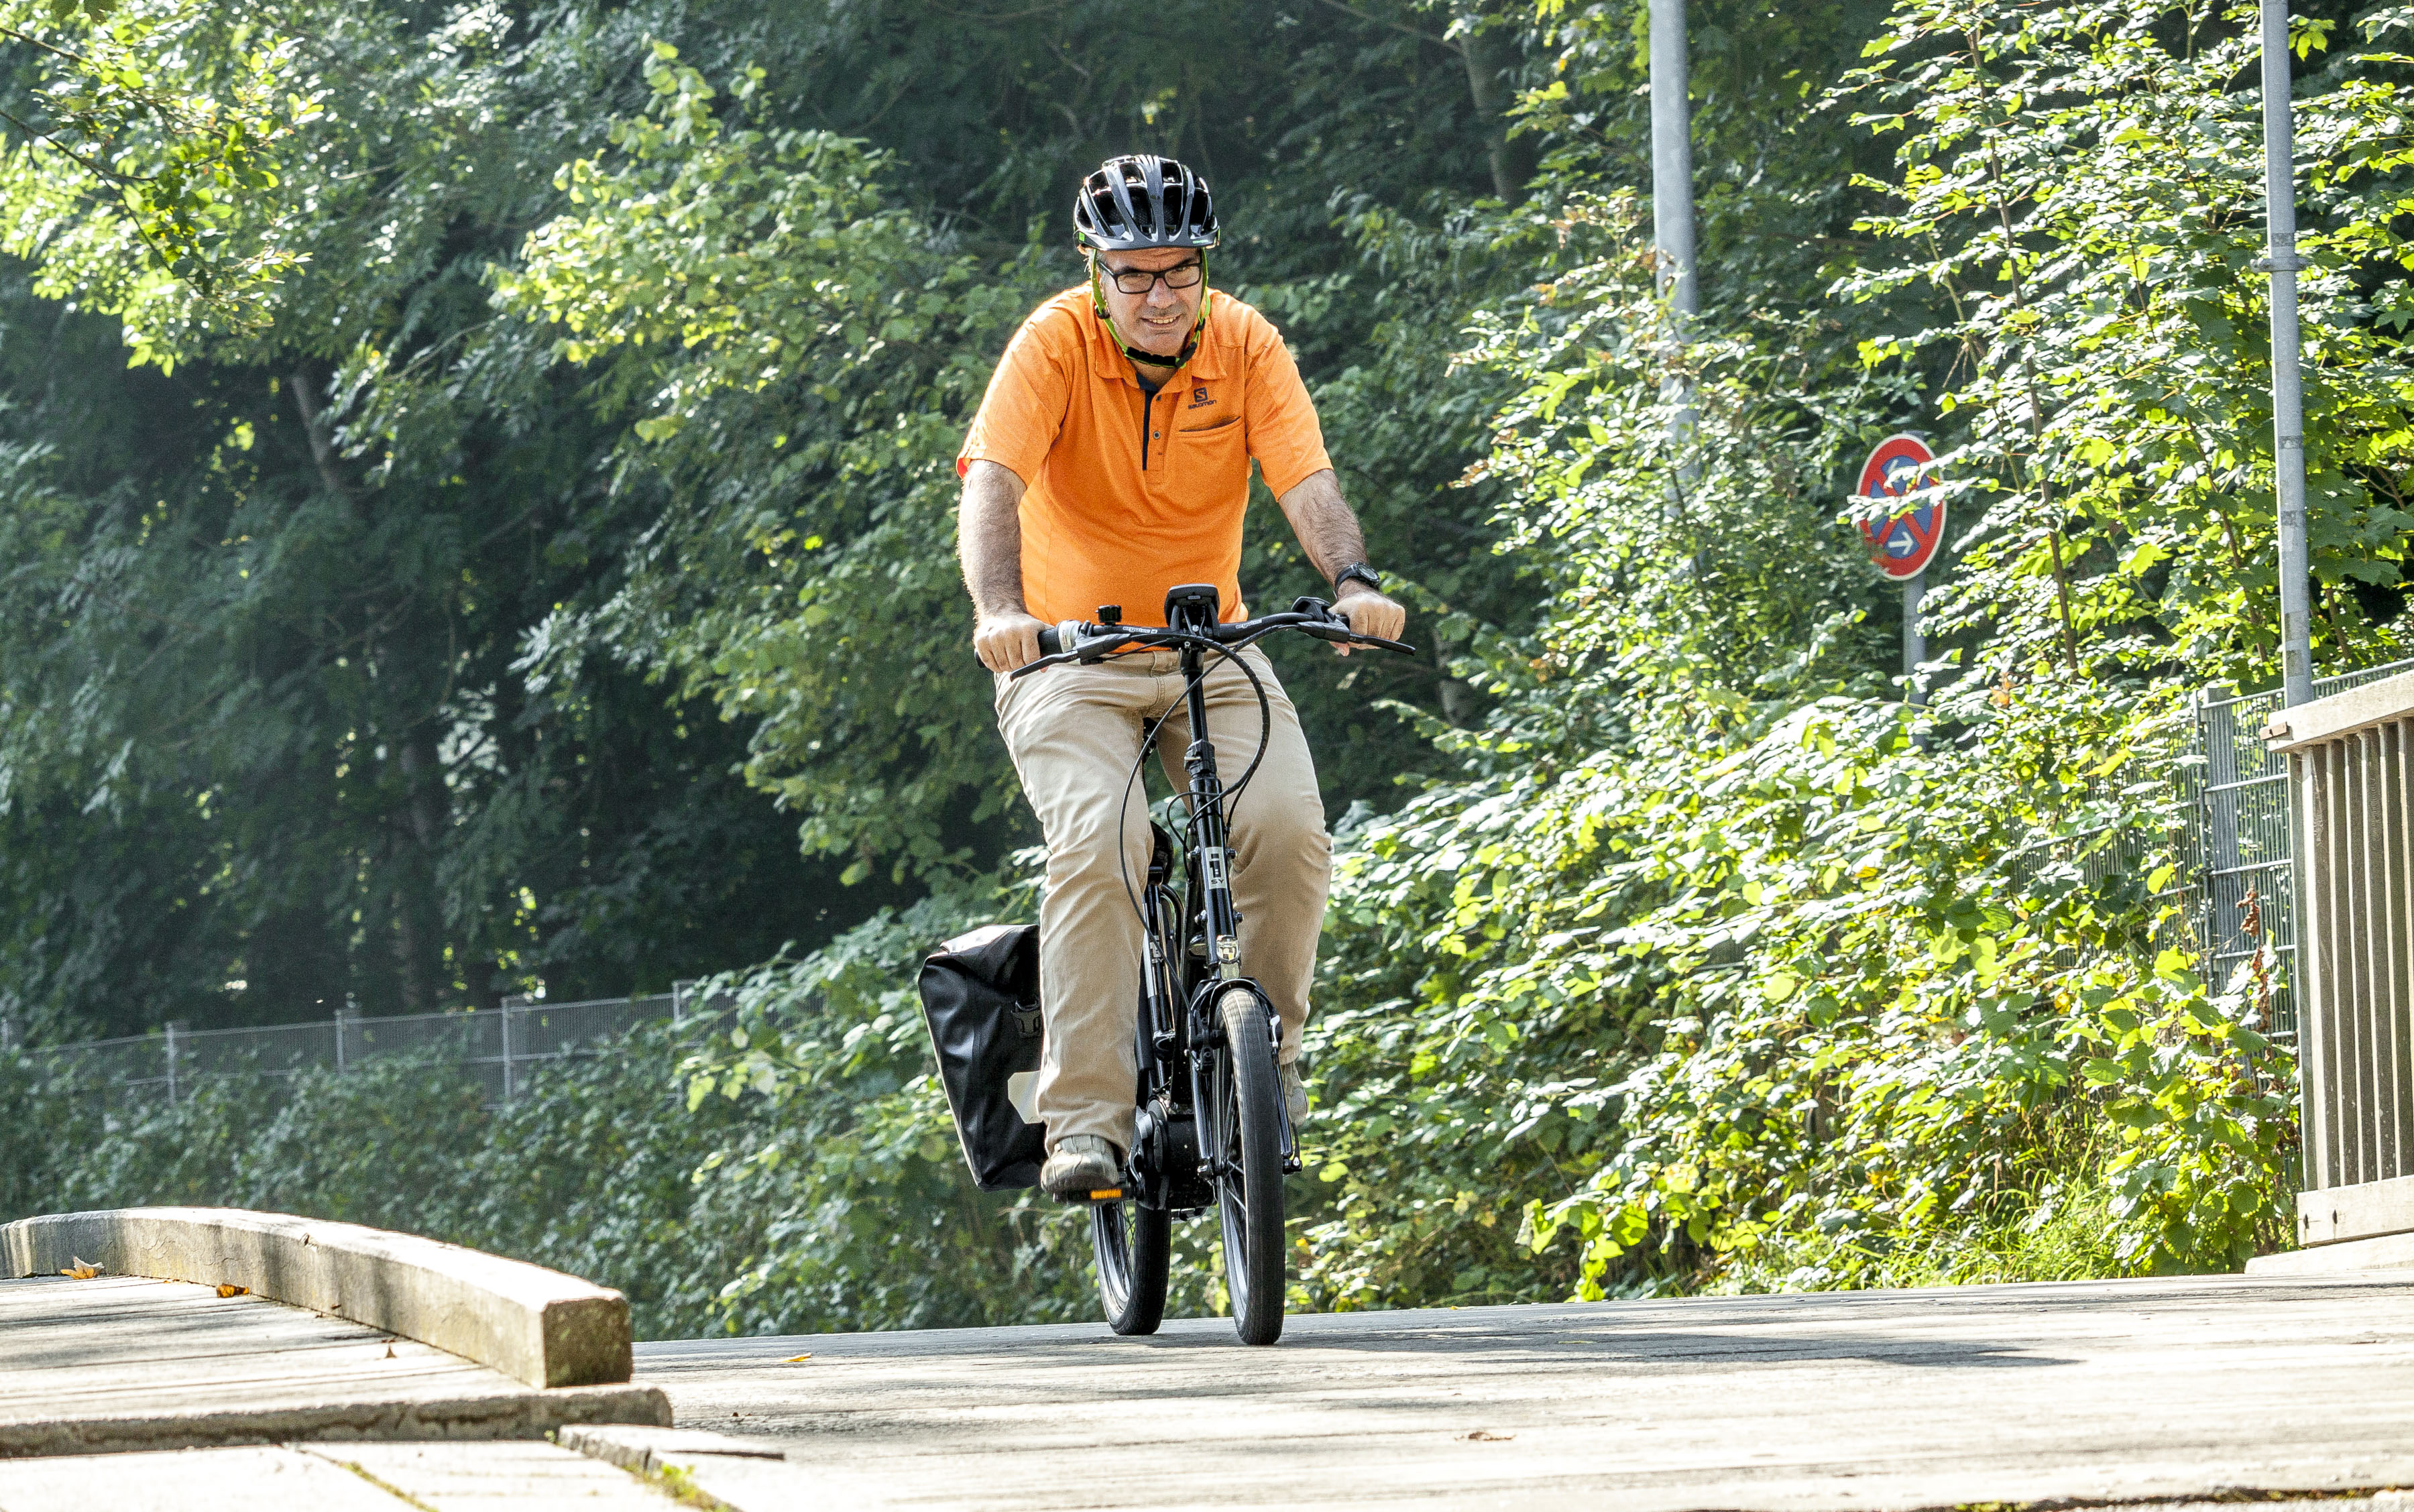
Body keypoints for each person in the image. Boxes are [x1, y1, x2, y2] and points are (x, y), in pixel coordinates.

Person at [955, 154, 1407, 1198]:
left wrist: (1351, 579)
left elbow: (1307, 478)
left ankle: (1269, 1064)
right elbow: (993, 485)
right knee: (1102, 842)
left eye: (1178, 272)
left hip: (1213, 643)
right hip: (1067, 655)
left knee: (1289, 829)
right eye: (1134, 275)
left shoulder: (1246, 344)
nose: (1158, 295)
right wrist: (1002, 611)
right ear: (1096, 272)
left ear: (1203, 268)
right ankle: (1085, 1124)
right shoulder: (1053, 345)